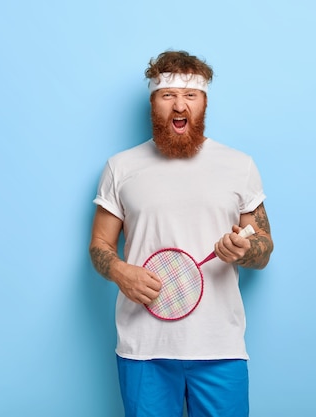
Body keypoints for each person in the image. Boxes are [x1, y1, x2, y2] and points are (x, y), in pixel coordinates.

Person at [89, 50, 274, 417]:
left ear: (204, 103)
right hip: (144, 349)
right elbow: (100, 245)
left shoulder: (239, 166)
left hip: (219, 347)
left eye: (190, 95)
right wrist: (121, 272)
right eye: (167, 94)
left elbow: (264, 247)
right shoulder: (120, 167)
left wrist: (244, 250)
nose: (179, 104)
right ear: (153, 103)